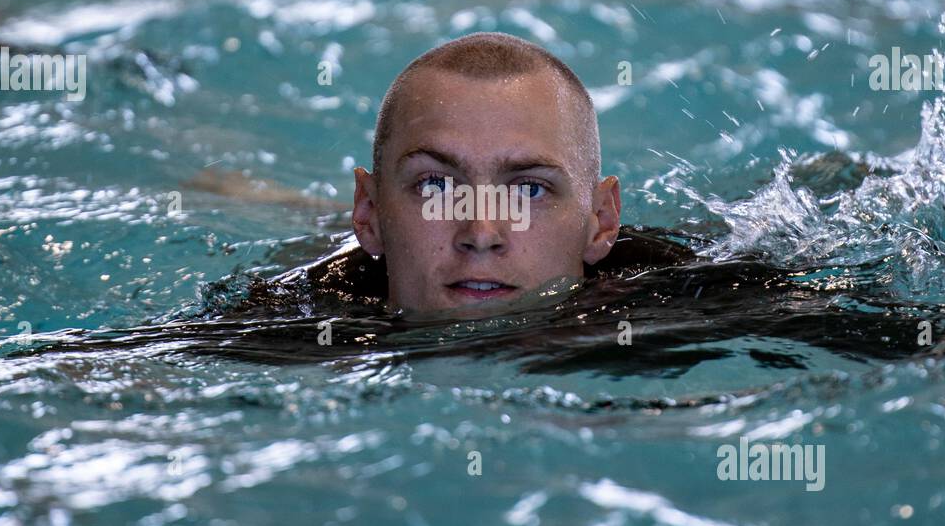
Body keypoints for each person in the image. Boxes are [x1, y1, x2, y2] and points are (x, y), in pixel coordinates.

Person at [246, 31, 700, 319]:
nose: (481, 234)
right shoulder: (293, 321)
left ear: (602, 221)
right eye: (436, 186)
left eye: (527, 190)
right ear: (368, 214)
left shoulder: (688, 302)